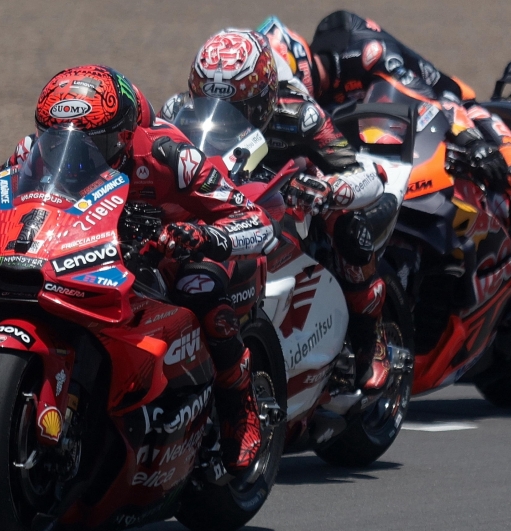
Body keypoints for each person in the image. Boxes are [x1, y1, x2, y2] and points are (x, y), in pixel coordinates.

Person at [0, 65, 276, 478]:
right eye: (57, 139)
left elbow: (255, 220)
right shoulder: (35, 150)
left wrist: (201, 234)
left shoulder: (169, 155)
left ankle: (239, 407)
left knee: (200, 286)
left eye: (91, 144)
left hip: (172, 254)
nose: (73, 155)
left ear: (122, 135)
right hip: (85, 253)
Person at [260, 12, 511, 302]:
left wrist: (474, 140)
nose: (283, 98)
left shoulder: (366, 53)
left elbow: (429, 99)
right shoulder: (307, 100)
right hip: (393, 137)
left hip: (458, 111)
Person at [161, 29, 396, 392]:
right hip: (221, 198)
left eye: (239, 110)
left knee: (349, 229)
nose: (221, 117)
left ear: (267, 97)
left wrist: (330, 189)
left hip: (293, 201)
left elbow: (363, 175)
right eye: (208, 104)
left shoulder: (300, 116)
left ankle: (370, 341)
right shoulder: (177, 111)